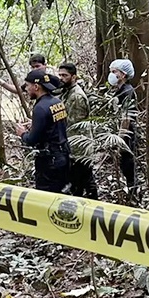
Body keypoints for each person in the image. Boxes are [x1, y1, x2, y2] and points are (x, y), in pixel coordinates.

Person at [15, 71, 70, 193]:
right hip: (63, 155)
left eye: (27, 85)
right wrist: (35, 125)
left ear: (36, 87)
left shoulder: (40, 107)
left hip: (49, 161)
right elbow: (55, 125)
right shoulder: (57, 102)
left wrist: (22, 133)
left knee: (47, 195)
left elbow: (32, 140)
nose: (26, 89)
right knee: (62, 192)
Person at [58, 62, 98, 199]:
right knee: (81, 181)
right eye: (60, 75)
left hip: (79, 147)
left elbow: (74, 125)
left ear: (73, 77)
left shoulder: (76, 96)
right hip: (73, 145)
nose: (61, 78)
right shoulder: (66, 92)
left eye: (65, 75)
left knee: (83, 181)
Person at [108, 59, 138, 196]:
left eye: (114, 72)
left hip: (127, 134)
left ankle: (133, 193)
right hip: (121, 133)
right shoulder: (119, 90)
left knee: (128, 165)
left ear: (123, 74)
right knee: (124, 165)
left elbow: (126, 118)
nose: (112, 75)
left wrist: (119, 140)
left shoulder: (127, 91)